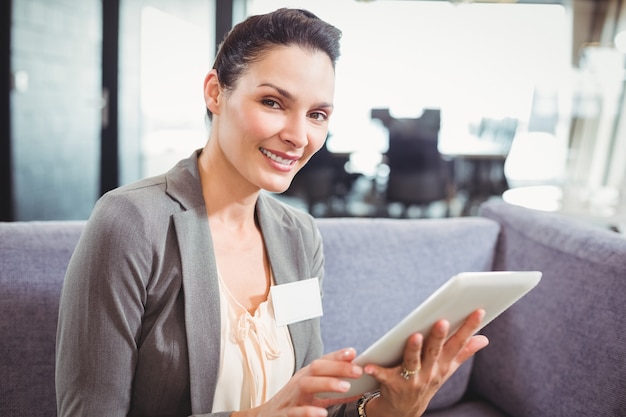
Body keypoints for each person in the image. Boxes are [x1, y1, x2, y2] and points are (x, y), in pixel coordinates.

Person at [55, 8, 489, 417]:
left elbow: (306, 402)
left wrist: (387, 407)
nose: (299, 136)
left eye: (317, 114)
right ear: (215, 92)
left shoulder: (298, 235)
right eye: (273, 103)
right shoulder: (131, 222)